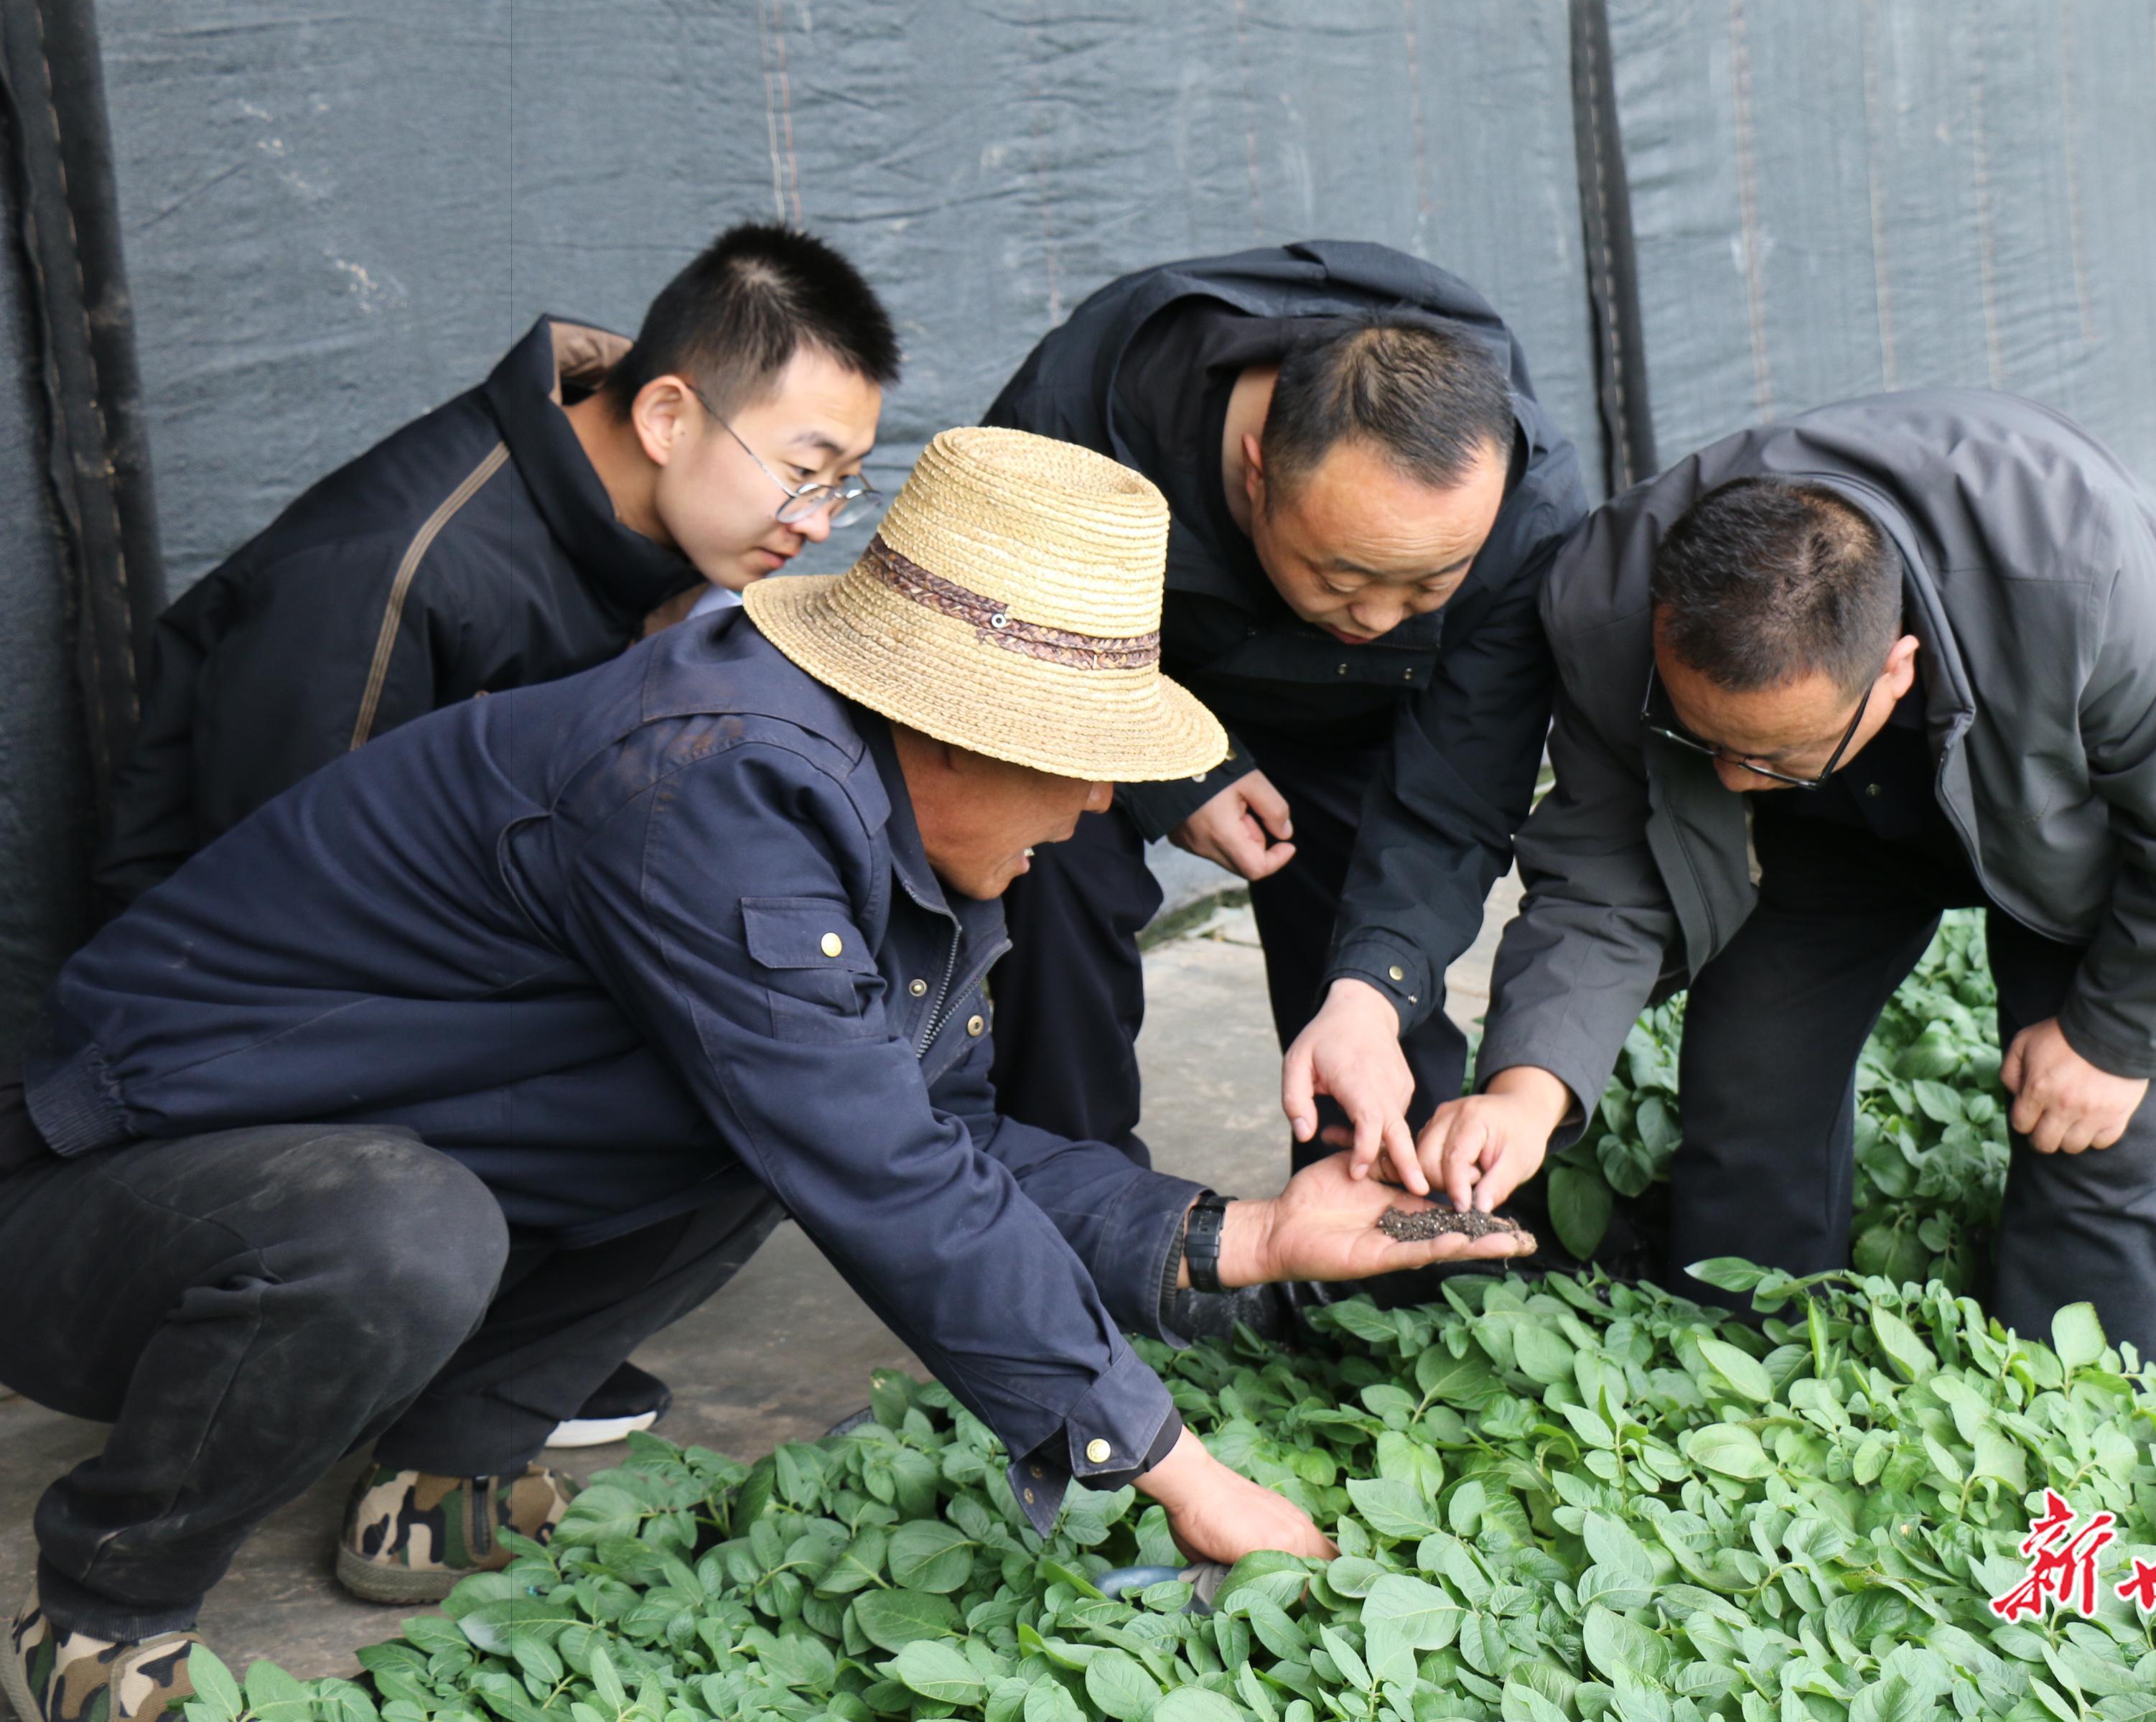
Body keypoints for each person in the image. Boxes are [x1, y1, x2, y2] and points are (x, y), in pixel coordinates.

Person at [0, 428, 1533, 1722]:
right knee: (415, 1226)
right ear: (947, 718)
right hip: (113, 1202)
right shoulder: (717, 775)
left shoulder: (902, 824)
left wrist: (1244, 1236)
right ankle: (97, 1605)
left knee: (745, 1127)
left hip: (385, 1146)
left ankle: (436, 1478)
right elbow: (878, 1161)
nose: (1095, 802)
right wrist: (1179, 1469)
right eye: (1076, 753)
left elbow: (945, 1137)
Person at [90, 221, 897, 1451]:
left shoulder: (664, 540)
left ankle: (510, 1352)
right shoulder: (392, 573)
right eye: (806, 470)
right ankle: (437, 1348)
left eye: (847, 481)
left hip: (475, 940)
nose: (821, 521)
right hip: (244, 1025)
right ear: (669, 417)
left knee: (796, 1035)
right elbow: (283, 905)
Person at [1393, 389, 2156, 1362]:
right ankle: (1742, 1375)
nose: (1728, 781)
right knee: (1750, 1076)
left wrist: (2116, 1040)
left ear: (1895, 669)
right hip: (1832, 826)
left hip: (2068, 811)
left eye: (1767, 754)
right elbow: (1602, 862)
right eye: (1699, 737)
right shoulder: (1611, 601)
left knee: (2089, 1135)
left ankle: (2074, 1426)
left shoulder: (2085, 572)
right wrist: (1526, 1090)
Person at [981, 241, 1587, 1178]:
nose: (1381, 618)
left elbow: (1456, 796)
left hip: (1356, 719)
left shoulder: (1533, 512)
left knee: (1373, 990)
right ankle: (1077, 1217)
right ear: (1258, 469)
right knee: (1046, 866)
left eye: (1430, 584)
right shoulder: (1087, 411)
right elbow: (1000, 643)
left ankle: (1386, 1265)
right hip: (1111, 694)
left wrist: (1369, 993)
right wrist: (1173, 764)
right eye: (1341, 575)